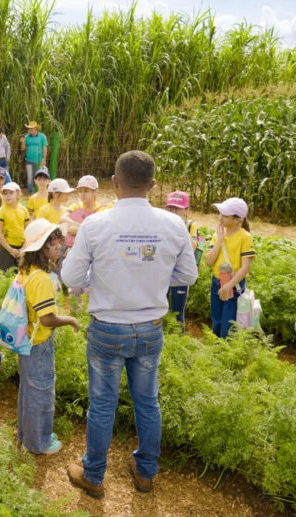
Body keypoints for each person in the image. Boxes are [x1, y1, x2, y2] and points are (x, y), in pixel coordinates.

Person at [61, 150, 198, 499]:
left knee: (103, 404)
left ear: (114, 183)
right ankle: (146, 472)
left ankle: (94, 475)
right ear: (152, 186)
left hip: (107, 329)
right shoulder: (173, 224)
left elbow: (71, 275)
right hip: (150, 327)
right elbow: (187, 276)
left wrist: (101, 276)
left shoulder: (96, 224)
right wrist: (151, 276)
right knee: (148, 402)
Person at [15, 218, 79, 455]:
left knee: (28, 389)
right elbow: (47, 319)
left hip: (26, 340)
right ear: (43, 246)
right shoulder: (40, 278)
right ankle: (38, 443)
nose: (60, 245)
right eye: (55, 241)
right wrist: (71, 320)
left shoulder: (28, 270)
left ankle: (26, 434)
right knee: (41, 391)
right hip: (38, 342)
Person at [204, 197, 255, 339]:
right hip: (216, 282)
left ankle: (224, 353)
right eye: (220, 214)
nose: (220, 218)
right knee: (216, 321)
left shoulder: (245, 237)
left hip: (233, 285)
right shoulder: (217, 235)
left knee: (228, 325)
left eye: (225, 215)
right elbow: (208, 261)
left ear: (238, 219)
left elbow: (245, 267)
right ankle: (216, 352)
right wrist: (220, 241)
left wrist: (228, 286)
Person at [60, 175, 106, 308]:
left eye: (86, 191)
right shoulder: (75, 206)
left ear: (95, 192)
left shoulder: (102, 209)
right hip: (74, 250)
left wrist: (78, 229)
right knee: (74, 287)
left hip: (93, 254)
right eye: (80, 191)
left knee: (90, 288)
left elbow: (97, 230)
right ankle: (76, 320)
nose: (82, 194)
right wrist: (84, 228)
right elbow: (62, 219)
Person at [163, 191, 199, 330]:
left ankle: (178, 339)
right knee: (161, 310)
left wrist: (180, 226)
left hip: (181, 275)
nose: (174, 212)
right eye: (171, 208)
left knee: (178, 313)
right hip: (164, 273)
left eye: (178, 208)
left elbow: (193, 247)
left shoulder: (190, 226)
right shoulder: (162, 224)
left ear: (186, 210)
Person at [0, 183, 30, 270]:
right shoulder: (1, 211)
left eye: (11, 193)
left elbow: (28, 230)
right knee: (8, 273)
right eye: (5, 194)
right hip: (6, 247)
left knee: (22, 272)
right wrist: (10, 250)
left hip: (22, 246)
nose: (7, 196)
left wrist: (23, 248)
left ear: (18, 194)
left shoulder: (23, 210)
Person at [20, 121, 48, 193]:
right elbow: (23, 148)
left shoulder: (42, 136)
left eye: (31, 128)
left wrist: (44, 159)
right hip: (29, 160)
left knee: (41, 177)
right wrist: (23, 142)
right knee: (30, 177)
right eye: (29, 128)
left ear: (36, 128)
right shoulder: (26, 137)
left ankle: (41, 192)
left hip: (39, 160)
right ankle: (30, 193)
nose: (30, 130)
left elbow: (45, 148)